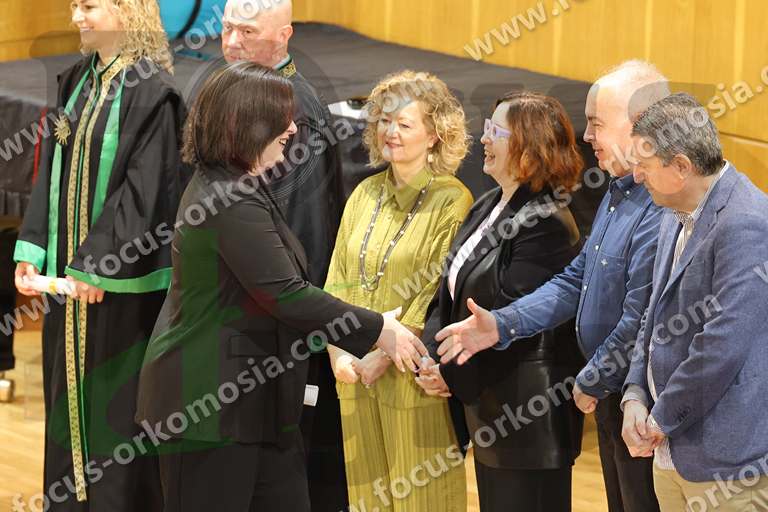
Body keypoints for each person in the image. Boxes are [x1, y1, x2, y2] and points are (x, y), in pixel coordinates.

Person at [134, 62, 428, 512]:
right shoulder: (227, 199)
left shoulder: (238, 184)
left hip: (253, 408)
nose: (292, 128)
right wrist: (377, 329)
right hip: (206, 410)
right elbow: (287, 294)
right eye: (282, 118)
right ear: (247, 124)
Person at [434, 60, 669, 512]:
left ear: (638, 124)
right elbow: (575, 280)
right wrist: (499, 325)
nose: (587, 135)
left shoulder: (658, 206)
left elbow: (640, 315)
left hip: (640, 398)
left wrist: (594, 376)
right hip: (611, 397)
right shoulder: (618, 194)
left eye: (597, 123)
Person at [12, 0, 186, 509]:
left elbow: (147, 189)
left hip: (119, 286)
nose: (76, 17)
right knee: (65, 400)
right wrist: (34, 247)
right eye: (74, 5)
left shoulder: (155, 94)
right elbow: (50, 171)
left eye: (89, 6)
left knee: (116, 409)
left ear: (127, 10)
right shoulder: (76, 81)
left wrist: (99, 263)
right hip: (69, 284)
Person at [417, 91, 585, 511]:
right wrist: (435, 355)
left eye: (496, 131)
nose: (484, 139)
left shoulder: (547, 221)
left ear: (529, 147)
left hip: (528, 416)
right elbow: (450, 291)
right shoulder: (489, 203)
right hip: (490, 407)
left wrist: (450, 373)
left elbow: (512, 318)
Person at [324, 70, 473, 512]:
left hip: (412, 379)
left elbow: (434, 294)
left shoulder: (452, 200)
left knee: (423, 502)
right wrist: (340, 356)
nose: (390, 132)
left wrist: (381, 357)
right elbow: (336, 281)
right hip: (354, 375)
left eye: (404, 124)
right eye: (384, 121)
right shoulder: (363, 193)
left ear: (434, 135)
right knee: (365, 502)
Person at [219, 2, 348, 507]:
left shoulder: (296, 113)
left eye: (247, 32)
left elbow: (302, 238)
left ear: (284, 35)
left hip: (269, 335)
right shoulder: (240, 92)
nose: (232, 42)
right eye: (227, 28)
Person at [621, 93, 768, 510]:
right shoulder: (672, 212)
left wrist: (660, 418)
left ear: (682, 166)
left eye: (644, 165)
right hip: (670, 453)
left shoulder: (748, 222)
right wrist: (635, 394)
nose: (636, 176)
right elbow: (653, 315)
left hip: (727, 466)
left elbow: (722, 345)